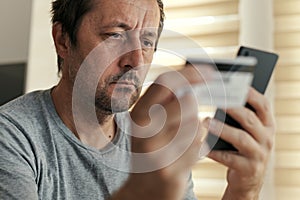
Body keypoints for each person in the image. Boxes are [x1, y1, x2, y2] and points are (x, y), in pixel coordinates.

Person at [0, 0, 275, 199]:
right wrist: (142, 191)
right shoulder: (12, 138)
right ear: (62, 40)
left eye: (146, 41)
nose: (135, 60)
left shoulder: (158, 140)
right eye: (115, 35)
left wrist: (243, 190)